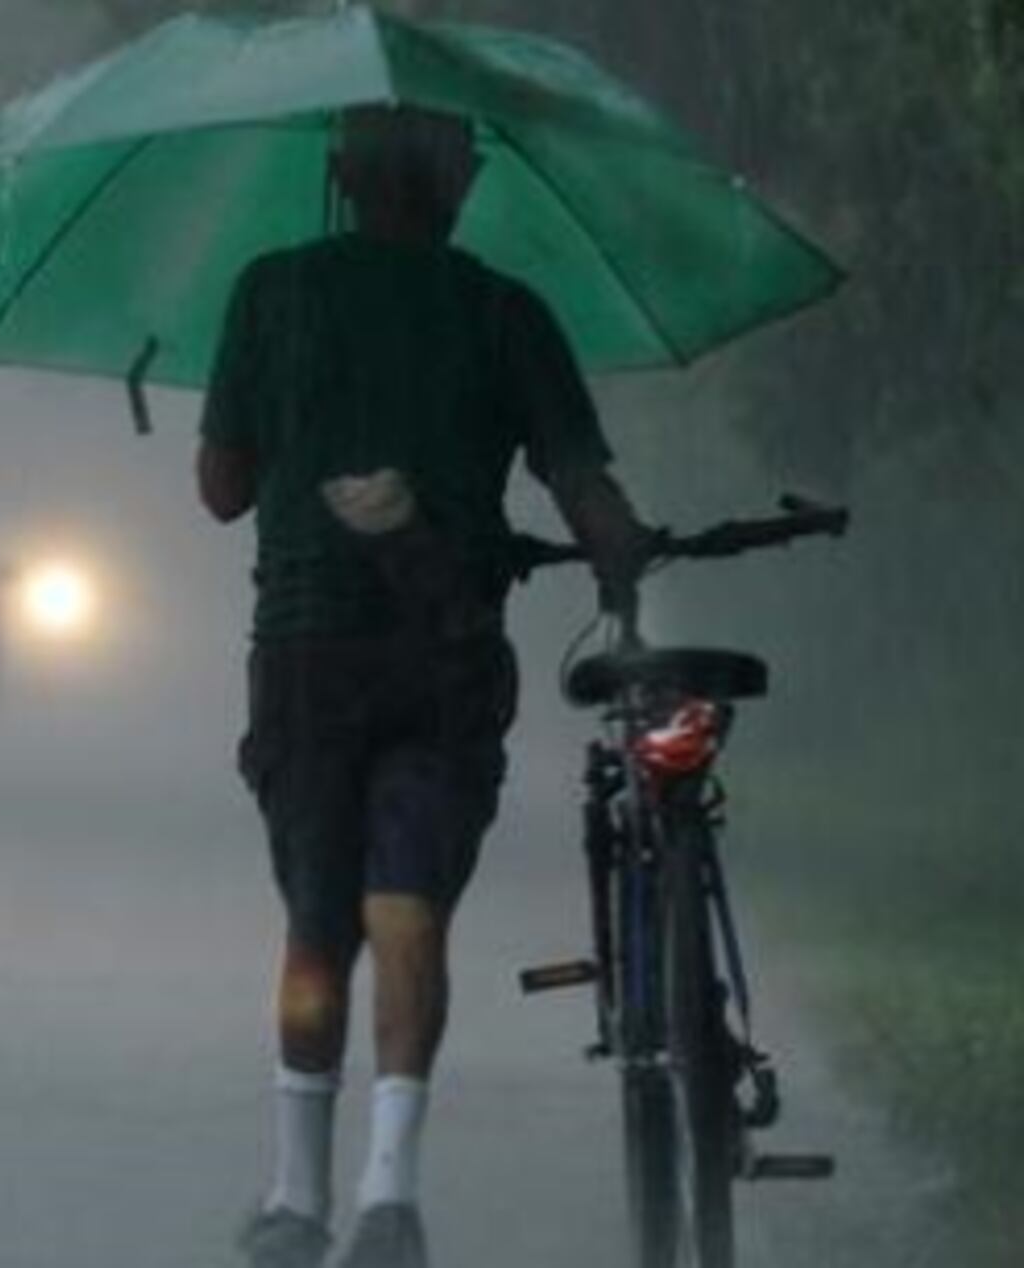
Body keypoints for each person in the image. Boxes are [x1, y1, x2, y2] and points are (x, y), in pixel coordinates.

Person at [199, 105, 650, 1268]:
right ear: (460, 183)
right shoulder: (504, 313)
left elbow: (220, 488)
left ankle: (296, 1202)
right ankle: (387, 1195)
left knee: (313, 925)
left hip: (304, 658)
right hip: (443, 660)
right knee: (406, 912)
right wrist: (624, 560)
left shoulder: (269, 290)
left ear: (341, 177)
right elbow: (582, 484)